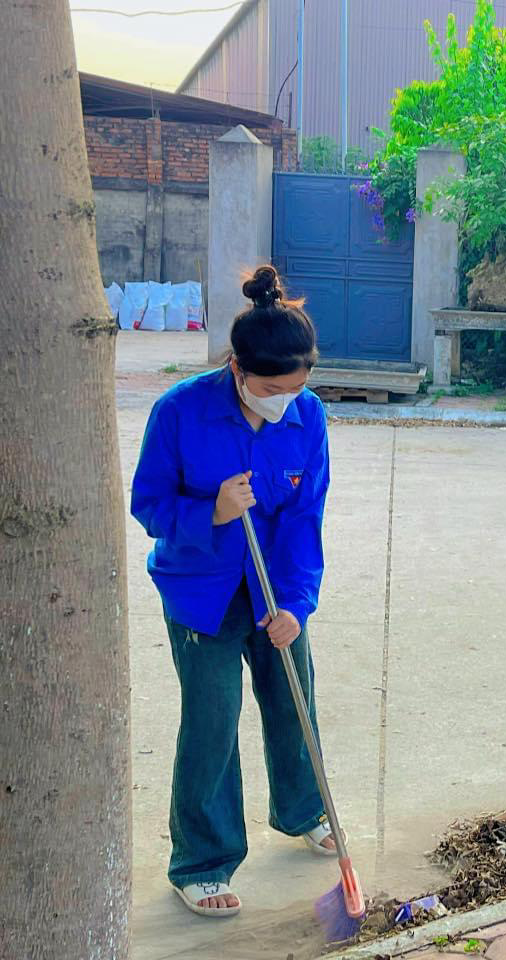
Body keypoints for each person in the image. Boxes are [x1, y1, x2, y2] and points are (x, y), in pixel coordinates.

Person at [131, 266, 336, 918]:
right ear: (236, 367)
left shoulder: (306, 417)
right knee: (213, 723)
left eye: (297, 387)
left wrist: (297, 606)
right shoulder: (181, 411)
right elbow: (149, 506)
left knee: (292, 698)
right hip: (202, 592)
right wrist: (211, 512)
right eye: (272, 389)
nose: (285, 401)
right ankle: (202, 862)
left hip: (273, 589)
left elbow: (306, 521)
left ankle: (304, 809)